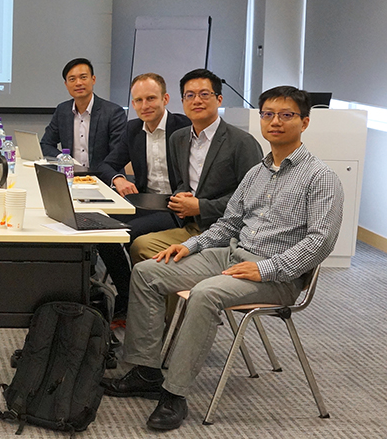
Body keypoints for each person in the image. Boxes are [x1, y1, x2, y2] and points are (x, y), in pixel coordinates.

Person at [102, 85, 344, 431]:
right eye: (268, 114)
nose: (275, 121)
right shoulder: (257, 173)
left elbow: (321, 242)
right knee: (147, 272)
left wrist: (266, 269)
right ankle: (145, 370)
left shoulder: (321, 178)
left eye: (286, 115)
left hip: (278, 277)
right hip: (231, 256)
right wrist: (190, 246)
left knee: (205, 294)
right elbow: (229, 224)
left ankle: (175, 393)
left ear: (304, 122)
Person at [129, 68, 262, 265]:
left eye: (204, 94)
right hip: (193, 228)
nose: (196, 101)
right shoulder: (179, 139)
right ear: (182, 102)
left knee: (164, 263)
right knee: (141, 247)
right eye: (189, 95)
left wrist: (200, 207)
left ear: (219, 99)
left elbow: (253, 201)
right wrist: (181, 196)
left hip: (230, 233)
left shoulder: (242, 142)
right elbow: (183, 182)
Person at [93, 73, 191, 317]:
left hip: (177, 205)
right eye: (138, 100)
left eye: (151, 98)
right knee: (99, 230)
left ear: (165, 98)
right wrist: (118, 178)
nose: (145, 106)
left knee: (131, 233)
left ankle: (139, 299)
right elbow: (107, 165)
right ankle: (127, 294)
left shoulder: (184, 128)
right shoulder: (133, 129)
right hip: (146, 201)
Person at [39, 58, 126, 173]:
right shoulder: (63, 110)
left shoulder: (113, 112)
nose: (78, 83)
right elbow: (46, 144)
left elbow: (117, 154)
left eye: (83, 77)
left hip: (104, 178)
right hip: (71, 177)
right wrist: (63, 158)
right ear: (66, 84)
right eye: (72, 79)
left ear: (93, 79)